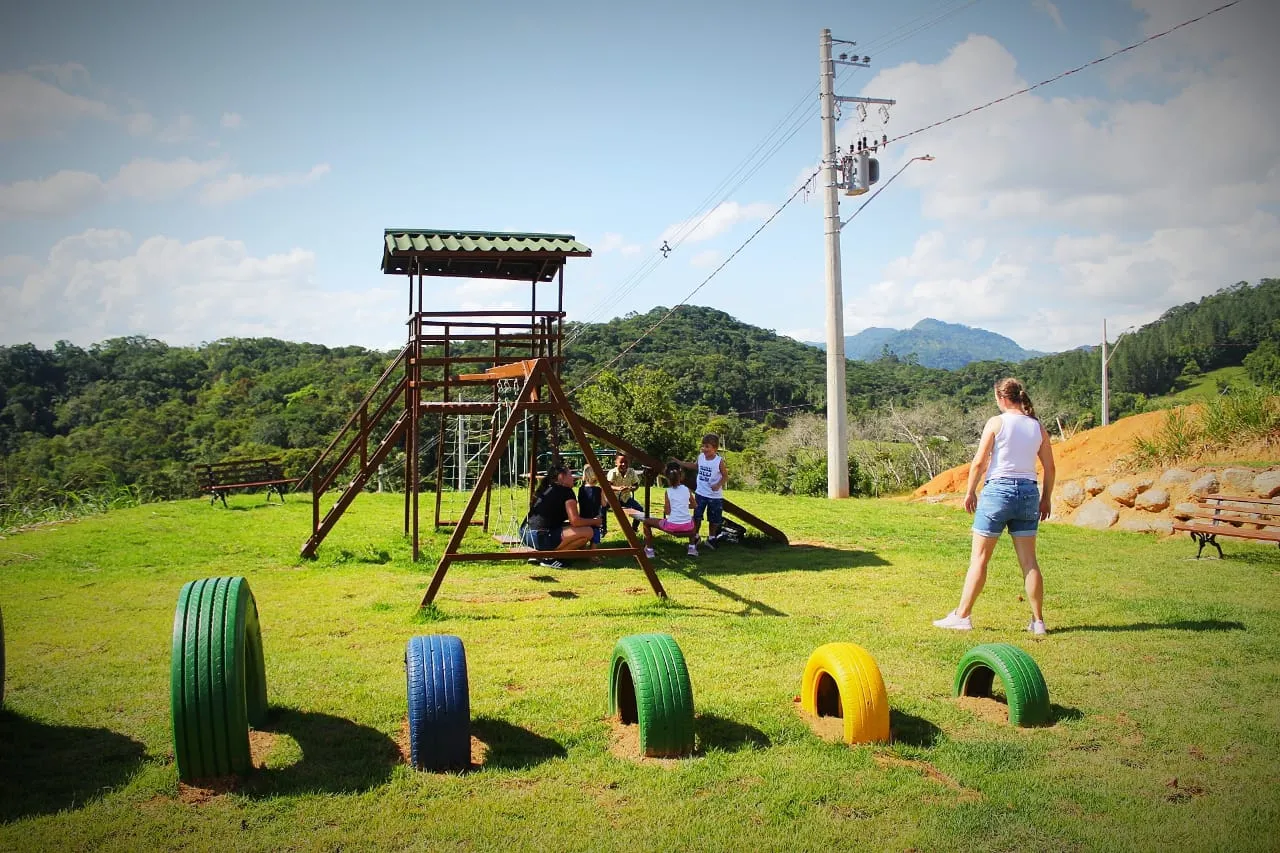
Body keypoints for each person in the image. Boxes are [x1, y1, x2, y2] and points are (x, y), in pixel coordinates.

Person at [933, 378, 1056, 636]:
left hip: (998, 491)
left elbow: (979, 462)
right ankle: (1038, 622)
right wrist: (1046, 498)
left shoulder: (996, 422)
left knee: (979, 559)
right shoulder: (1038, 427)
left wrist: (969, 491)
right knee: (1029, 562)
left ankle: (963, 615)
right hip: (1028, 492)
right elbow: (1050, 467)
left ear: (1001, 398)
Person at [519, 465, 600, 568]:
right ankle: (549, 558)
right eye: (570, 474)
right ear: (561, 477)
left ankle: (540, 554)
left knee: (579, 535)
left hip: (525, 534)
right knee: (588, 532)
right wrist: (595, 521)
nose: (573, 477)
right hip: (540, 537)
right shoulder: (566, 492)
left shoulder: (545, 488)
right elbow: (575, 521)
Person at [639, 463, 698, 558]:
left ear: (668, 479)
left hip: (672, 526)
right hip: (688, 526)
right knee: (691, 519)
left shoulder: (668, 492)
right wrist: (684, 506)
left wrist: (669, 509)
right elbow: (695, 505)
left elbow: (667, 512)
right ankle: (692, 548)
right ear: (681, 477)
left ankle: (649, 550)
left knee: (646, 522)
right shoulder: (687, 490)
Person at [692, 433, 728, 552]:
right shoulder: (701, 457)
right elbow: (695, 466)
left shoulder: (719, 461)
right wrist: (680, 463)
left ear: (715, 448)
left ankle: (711, 538)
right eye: (703, 446)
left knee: (714, 518)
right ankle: (696, 536)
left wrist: (718, 485)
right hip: (700, 493)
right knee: (697, 516)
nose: (704, 449)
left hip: (714, 496)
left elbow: (725, 476)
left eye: (707, 446)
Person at [606, 454, 645, 525]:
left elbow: (636, 485)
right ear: (616, 463)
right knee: (602, 508)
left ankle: (634, 528)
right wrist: (618, 488)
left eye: (626, 462)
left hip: (626, 498)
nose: (624, 464)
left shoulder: (631, 471)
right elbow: (607, 486)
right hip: (612, 499)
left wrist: (631, 488)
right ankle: (603, 527)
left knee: (640, 509)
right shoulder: (613, 472)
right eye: (621, 462)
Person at [577, 466, 607, 546]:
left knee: (582, 537)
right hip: (595, 519)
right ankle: (593, 555)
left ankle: (582, 550)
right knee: (595, 537)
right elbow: (604, 504)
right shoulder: (598, 490)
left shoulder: (581, 489)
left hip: (583, 518)